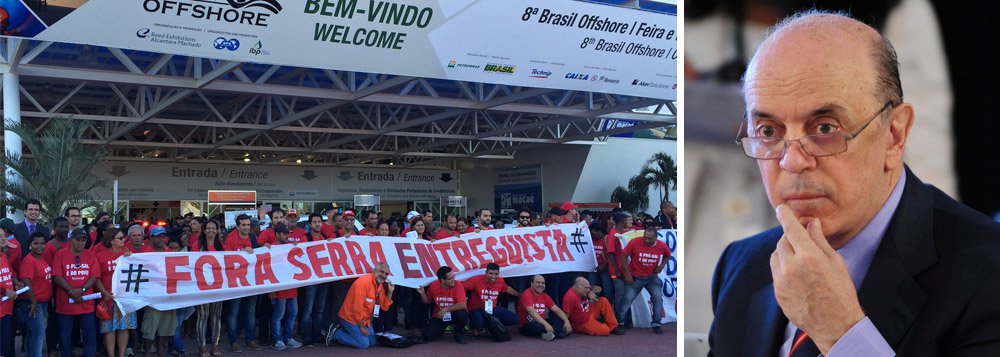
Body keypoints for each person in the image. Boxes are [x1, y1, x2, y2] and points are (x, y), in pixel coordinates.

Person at [709, 11, 1000, 356]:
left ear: (894, 135)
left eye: (825, 128)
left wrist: (841, 333)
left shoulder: (988, 273)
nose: (792, 161)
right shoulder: (743, 265)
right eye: (769, 132)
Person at [52, 228, 101, 357]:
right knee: (64, 337)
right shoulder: (61, 254)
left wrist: (81, 290)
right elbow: (57, 276)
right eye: (77, 240)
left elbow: (94, 276)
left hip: (86, 304)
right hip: (65, 305)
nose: (80, 243)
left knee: (89, 336)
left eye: (83, 240)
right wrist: (71, 291)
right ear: (71, 240)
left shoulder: (90, 255)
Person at [330, 262, 394, 349]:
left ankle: (348, 331)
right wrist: (362, 327)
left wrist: (390, 291)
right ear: (375, 270)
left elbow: (385, 307)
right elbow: (357, 308)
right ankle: (336, 333)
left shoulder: (379, 286)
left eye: (386, 274)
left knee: (372, 342)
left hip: (364, 320)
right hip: (350, 318)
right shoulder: (363, 282)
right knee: (363, 344)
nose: (383, 275)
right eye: (381, 272)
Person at [619, 227, 669, 334]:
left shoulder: (662, 246)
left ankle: (656, 323)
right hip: (635, 277)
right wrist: (627, 273)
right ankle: (620, 323)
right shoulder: (634, 242)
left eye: (650, 239)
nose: (646, 240)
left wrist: (661, 267)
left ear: (656, 238)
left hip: (651, 277)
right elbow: (623, 254)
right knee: (627, 298)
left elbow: (667, 255)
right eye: (645, 237)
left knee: (658, 298)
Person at [95, 228, 136, 357]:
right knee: (109, 329)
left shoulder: (128, 254)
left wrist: (131, 259)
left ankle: (122, 355)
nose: (123, 240)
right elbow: (97, 277)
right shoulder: (101, 256)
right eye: (120, 238)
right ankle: (111, 355)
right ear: (112, 241)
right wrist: (104, 292)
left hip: (125, 298)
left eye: (123, 237)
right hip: (108, 298)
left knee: (124, 327)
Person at [223, 215, 262, 352]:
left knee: (250, 312)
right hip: (235, 281)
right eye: (243, 225)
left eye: (248, 225)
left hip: (251, 280)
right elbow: (226, 258)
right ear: (237, 226)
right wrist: (241, 253)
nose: (246, 227)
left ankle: (250, 340)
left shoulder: (252, 237)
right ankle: (233, 341)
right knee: (234, 311)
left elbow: (258, 254)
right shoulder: (231, 238)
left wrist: (266, 247)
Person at [140, 227, 177, 357]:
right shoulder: (145, 254)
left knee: (165, 326)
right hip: (153, 296)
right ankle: (148, 352)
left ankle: (160, 351)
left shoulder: (170, 252)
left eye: (163, 237)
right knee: (150, 326)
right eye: (158, 237)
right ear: (152, 238)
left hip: (167, 295)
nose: (161, 239)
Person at [267, 224, 303, 350]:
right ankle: (277, 339)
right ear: (277, 234)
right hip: (279, 289)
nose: (287, 236)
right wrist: (270, 289)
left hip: (291, 287)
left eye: (288, 233)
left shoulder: (289, 247)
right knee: (278, 315)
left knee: (292, 314)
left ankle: (288, 337)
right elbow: (268, 269)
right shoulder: (271, 248)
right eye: (284, 233)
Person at [16, 232, 51, 357]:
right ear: (30, 245)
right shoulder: (28, 260)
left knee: (33, 333)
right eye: (36, 243)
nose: (40, 246)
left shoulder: (40, 258)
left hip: (42, 302)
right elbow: (26, 282)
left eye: (42, 243)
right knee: (38, 334)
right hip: (32, 303)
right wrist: (33, 302)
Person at [299, 214, 332, 346]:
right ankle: (307, 337)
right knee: (308, 309)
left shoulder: (325, 238)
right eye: (315, 222)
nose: (317, 224)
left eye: (319, 222)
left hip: (323, 278)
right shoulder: (304, 238)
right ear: (310, 224)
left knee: (319, 309)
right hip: (311, 279)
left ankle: (317, 335)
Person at [194, 220, 224, 357]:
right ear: (204, 231)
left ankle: (215, 344)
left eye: (214, 228)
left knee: (216, 317)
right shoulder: (197, 246)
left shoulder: (222, 247)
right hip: (202, 287)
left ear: (217, 231)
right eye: (208, 228)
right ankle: (202, 346)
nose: (211, 231)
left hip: (218, 286)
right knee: (203, 316)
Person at [417, 266, 469, 344]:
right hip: (440, 315)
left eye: (453, 276)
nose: (453, 280)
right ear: (442, 280)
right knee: (427, 336)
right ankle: (440, 330)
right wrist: (422, 293)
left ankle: (459, 332)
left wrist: (445, 309)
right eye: (450, 278)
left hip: (454, 313)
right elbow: (427, 301)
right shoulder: (434, 285)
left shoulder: (458, 285)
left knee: (462, 314)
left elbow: (462, 304)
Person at [464, 263, 520, 335]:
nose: (493, 276)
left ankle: (492, 325)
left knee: (515, 319)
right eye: (491, 273)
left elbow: (507, 289)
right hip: (477, 310)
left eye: (496, 274)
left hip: (492, 309)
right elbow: (461, 288)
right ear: (486, 273)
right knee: (479, 322)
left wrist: (520, 295)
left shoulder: (500, 281)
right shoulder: (476, 279)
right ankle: (476, 327)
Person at [517, 275, 571, 341]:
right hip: (527, 324)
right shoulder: (526, 294)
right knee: (539, 327)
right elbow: (532, 312)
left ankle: (549, 333)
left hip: (542, 321)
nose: (541, 285)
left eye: (543, 283)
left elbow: (556, 309)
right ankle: (558, 333)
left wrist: (567, 321)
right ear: (531, 284)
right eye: (538, 282)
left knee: (559, 321)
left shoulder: (544, 296)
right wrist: (546, 324)